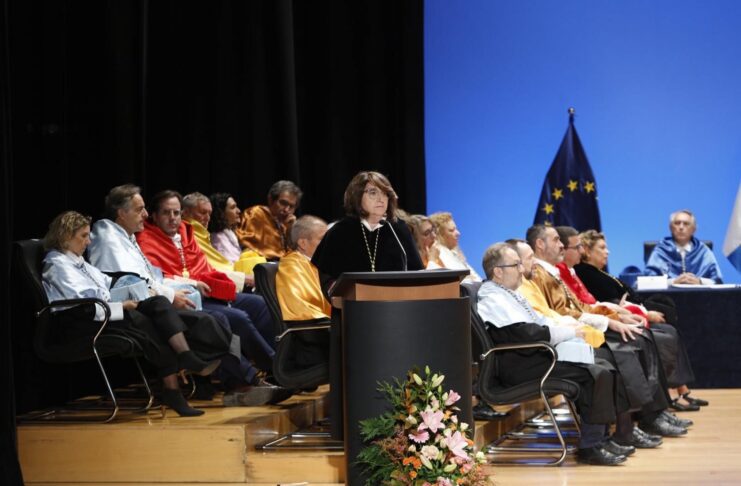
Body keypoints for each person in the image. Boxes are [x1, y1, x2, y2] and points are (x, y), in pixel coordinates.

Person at [87, 185, 279, 405]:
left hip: (164, 301)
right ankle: (245, 382)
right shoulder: (110, 238)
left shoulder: (127, 236)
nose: (145, 214)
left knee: (253, 306)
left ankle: (267, 372)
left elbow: (154, 278)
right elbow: (133, 283)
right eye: (140, 209)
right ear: (122, 213)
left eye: (176, 212)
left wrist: (180, 289)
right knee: (220, 319)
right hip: (137, 311)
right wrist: (172, 295)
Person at [42, 211, 221, 416]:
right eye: (83, 236)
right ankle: (173, 389)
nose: (89, 242)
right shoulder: (58, 265)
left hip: (105, 311)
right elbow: (83, 308)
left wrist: (138, 288)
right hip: (83, 323)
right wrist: (123, 306)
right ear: (66, 236)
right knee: (150, 326)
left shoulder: (78, 261)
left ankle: (185, 356)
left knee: (159, 303)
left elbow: (107, 282)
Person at [519, 225, 688, 438]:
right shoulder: (539, 274)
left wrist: (613, 314)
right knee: (629, 344)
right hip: (571, 335)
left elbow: (581, 306)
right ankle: (632, 425)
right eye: (556, 240)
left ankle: (649, 415)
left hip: (581, 327)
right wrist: (610, 321)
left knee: (640, 338)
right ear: (540, 244)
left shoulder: (552, 272)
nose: (561, 245)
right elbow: (562, 313)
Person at [478, 242, 631, 465]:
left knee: (603, 366)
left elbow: (539, 322)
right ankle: (591, 446)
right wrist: (567, 332)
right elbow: (526, 334)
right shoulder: (492, 299)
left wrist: (568, 328)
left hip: (534, 357)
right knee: (595, 373)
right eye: (515, 265)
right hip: (520, 367)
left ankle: (601, 439)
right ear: (498, 272)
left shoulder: (508, 293)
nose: (521, 270)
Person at [311, 171, 424, 440]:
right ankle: (356, 429)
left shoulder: (398, 230)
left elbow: (416, 272)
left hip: (397, 320)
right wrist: (337, 295)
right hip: (354, 321)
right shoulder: (340, 232)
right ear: (356, 196)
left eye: (385, 193)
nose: (380, 199)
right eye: (372, 193)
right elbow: (327, 277)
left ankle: (403, 430)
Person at [136, 190, 277, 378]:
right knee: (238, 318)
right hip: (186, 297)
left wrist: (221, 282)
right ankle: (269, 369)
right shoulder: (146, 240)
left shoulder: (186, 233)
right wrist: (194, 283)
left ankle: (278, 363)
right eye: (166, 213)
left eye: (176, 213)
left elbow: (204, 266)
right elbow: (158, 278)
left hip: (209, 291)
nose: (172, 218)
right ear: (154, 216)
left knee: (260, 304)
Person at [575, 229, 708, 412]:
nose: (608, 252)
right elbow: (610, 303)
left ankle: (680, 389)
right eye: (602, 248)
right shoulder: (586, 273)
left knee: (666, 310)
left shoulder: (599, 272)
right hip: (618, 319)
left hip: (630, 312)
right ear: (588, 251)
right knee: (665, 333)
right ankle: (669, 395)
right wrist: (644, 314)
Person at [275, 215, 331, 368]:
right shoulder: (293, 266)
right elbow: (303, 314)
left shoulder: (314, 264)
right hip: (312, 345)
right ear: (303, 243)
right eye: (322, 239)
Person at [645, 209, 723, 284]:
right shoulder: (661, 250)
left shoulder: (703, 251)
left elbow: (717, 281)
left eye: (686, 224)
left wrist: (700, 282)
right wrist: (672, 282)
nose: (681, 227)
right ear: (670, 227)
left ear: (694, 229)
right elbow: (648, 281)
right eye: (677, 223)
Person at [236, 180, 303, 260]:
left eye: (291, 206)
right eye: (283, 203)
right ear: (270, 199)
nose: (286, 210)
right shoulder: (256, 214)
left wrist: (290, 232)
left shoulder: (287, 224)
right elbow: (247, 246)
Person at [428, 212, 482, 282]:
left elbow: (476, 279)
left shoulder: (454, 252)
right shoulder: (441, 254)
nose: (458, 233)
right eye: (451, 230)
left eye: (456, 229)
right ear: (439, 235)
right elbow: (463, 282)